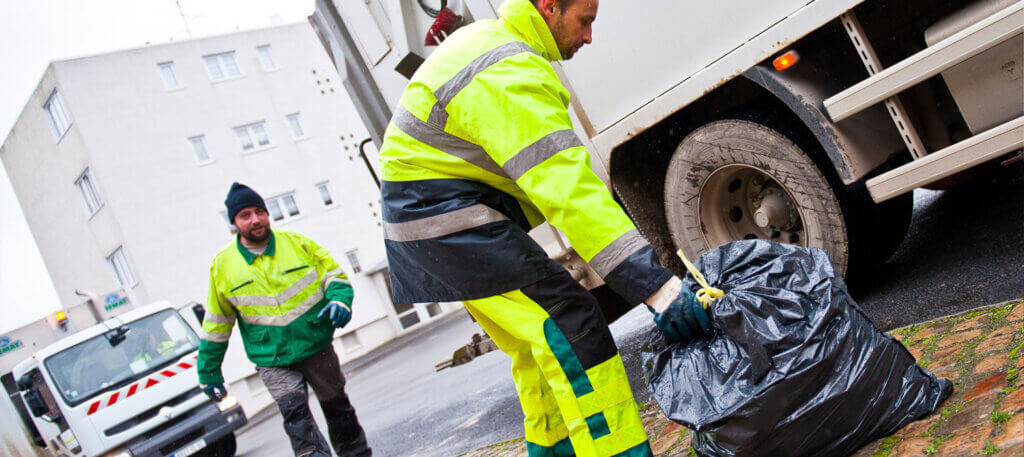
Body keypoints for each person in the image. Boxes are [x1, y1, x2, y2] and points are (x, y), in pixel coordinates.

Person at [376, 0, 711, 456]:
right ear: (550, 7)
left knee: (538, 351)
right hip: (445, 222)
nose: (589, 37)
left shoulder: (499, 50)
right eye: (585, 21)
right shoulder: (509, 71)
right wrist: (657, 288)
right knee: (570, 325)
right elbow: (569, 192)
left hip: (432, 224)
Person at [197, 182, 371, 457]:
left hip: (315, 345)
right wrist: (208, 372)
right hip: (271, 358)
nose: (255, 219)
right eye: (245, 215)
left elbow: (334, 278)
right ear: (234, 223)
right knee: (296, 417)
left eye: (259, 212)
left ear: (267, 214)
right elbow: (217, 322)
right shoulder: (222, 266)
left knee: (338, 407)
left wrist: (339, 301)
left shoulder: (298, 244)